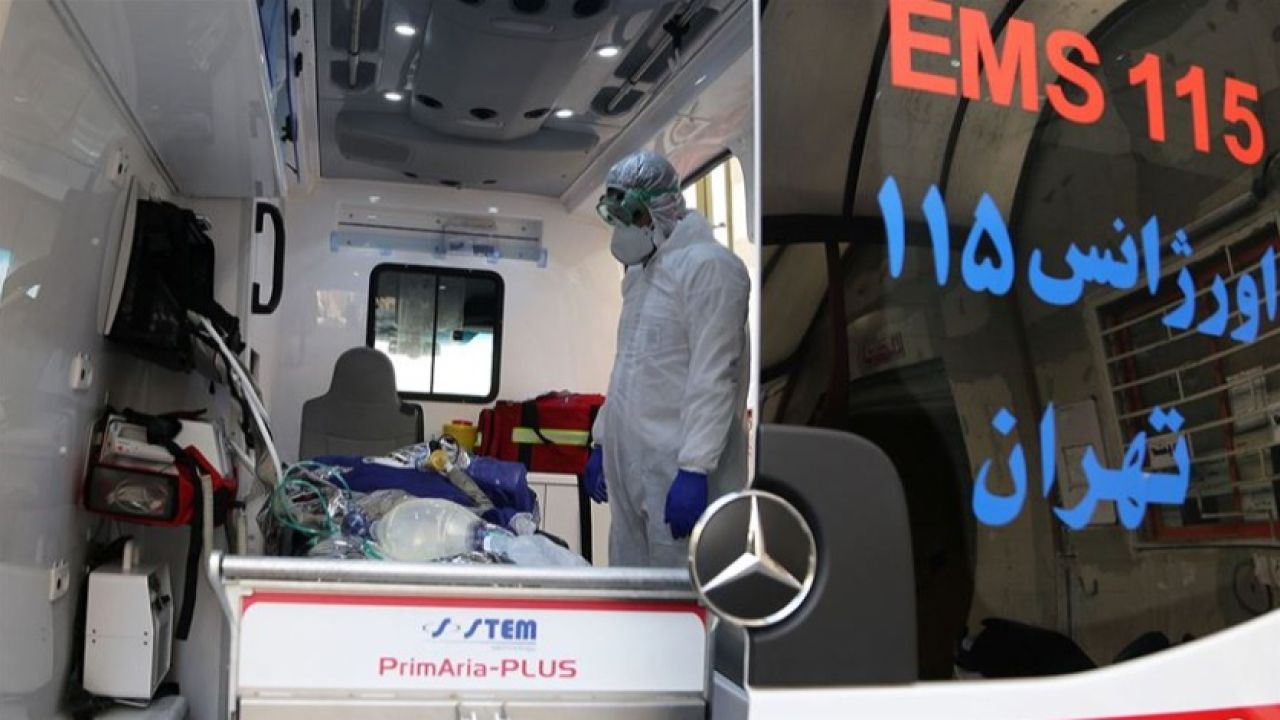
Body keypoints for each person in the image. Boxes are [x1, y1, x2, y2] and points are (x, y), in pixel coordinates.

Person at [583, 149, 751, 567]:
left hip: (677, 470)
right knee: (629, 587)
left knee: (678, 589)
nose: (625, 228)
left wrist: (695, 468)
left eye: (632, 216)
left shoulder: (711, 269)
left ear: (661, 207)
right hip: (631, 465)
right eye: (617, 217)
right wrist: (602, 441)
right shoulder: (642, 274)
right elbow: (626, 369)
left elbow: (716, 375)